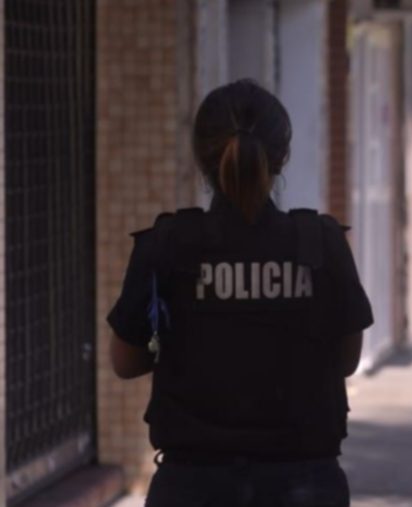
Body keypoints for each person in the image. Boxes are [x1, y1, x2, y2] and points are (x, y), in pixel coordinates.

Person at [106, 79, 373, 507]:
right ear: (281, 157)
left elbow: (125, 361)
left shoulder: (168, 244)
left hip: (192, 485)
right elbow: (346, 360)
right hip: (304, 481)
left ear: (201, 157)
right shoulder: (320, 243)